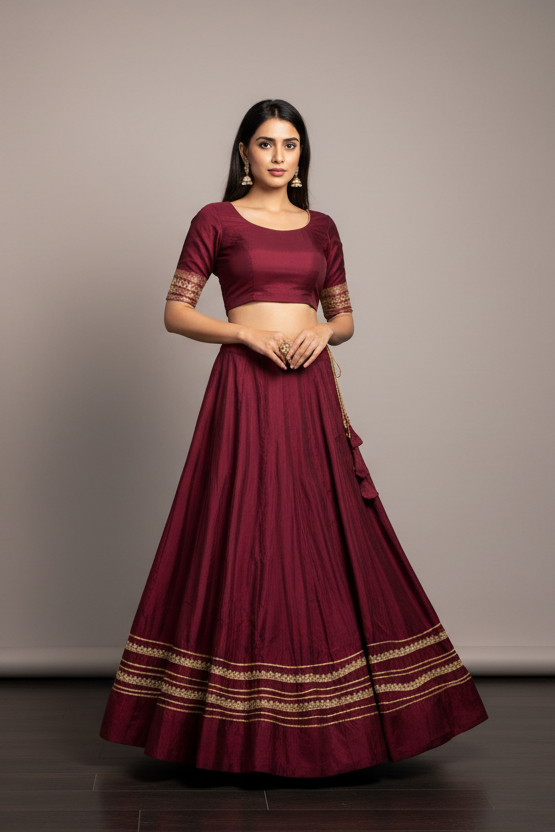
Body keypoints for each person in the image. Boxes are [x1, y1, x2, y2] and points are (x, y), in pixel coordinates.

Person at [99, 99, 488, 778]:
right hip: (243, 389)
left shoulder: (323, 228)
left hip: (308, 391)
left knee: (317, 531)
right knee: (239, 528)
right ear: (243, 154)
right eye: (265, 143)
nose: (278, 156)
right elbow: (175, 313)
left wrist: (321, 331)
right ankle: (225, 728)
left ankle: (337, 726)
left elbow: (345, 319)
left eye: (290, 144)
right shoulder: (215, 220)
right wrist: (243, 334)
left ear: (302, 155)